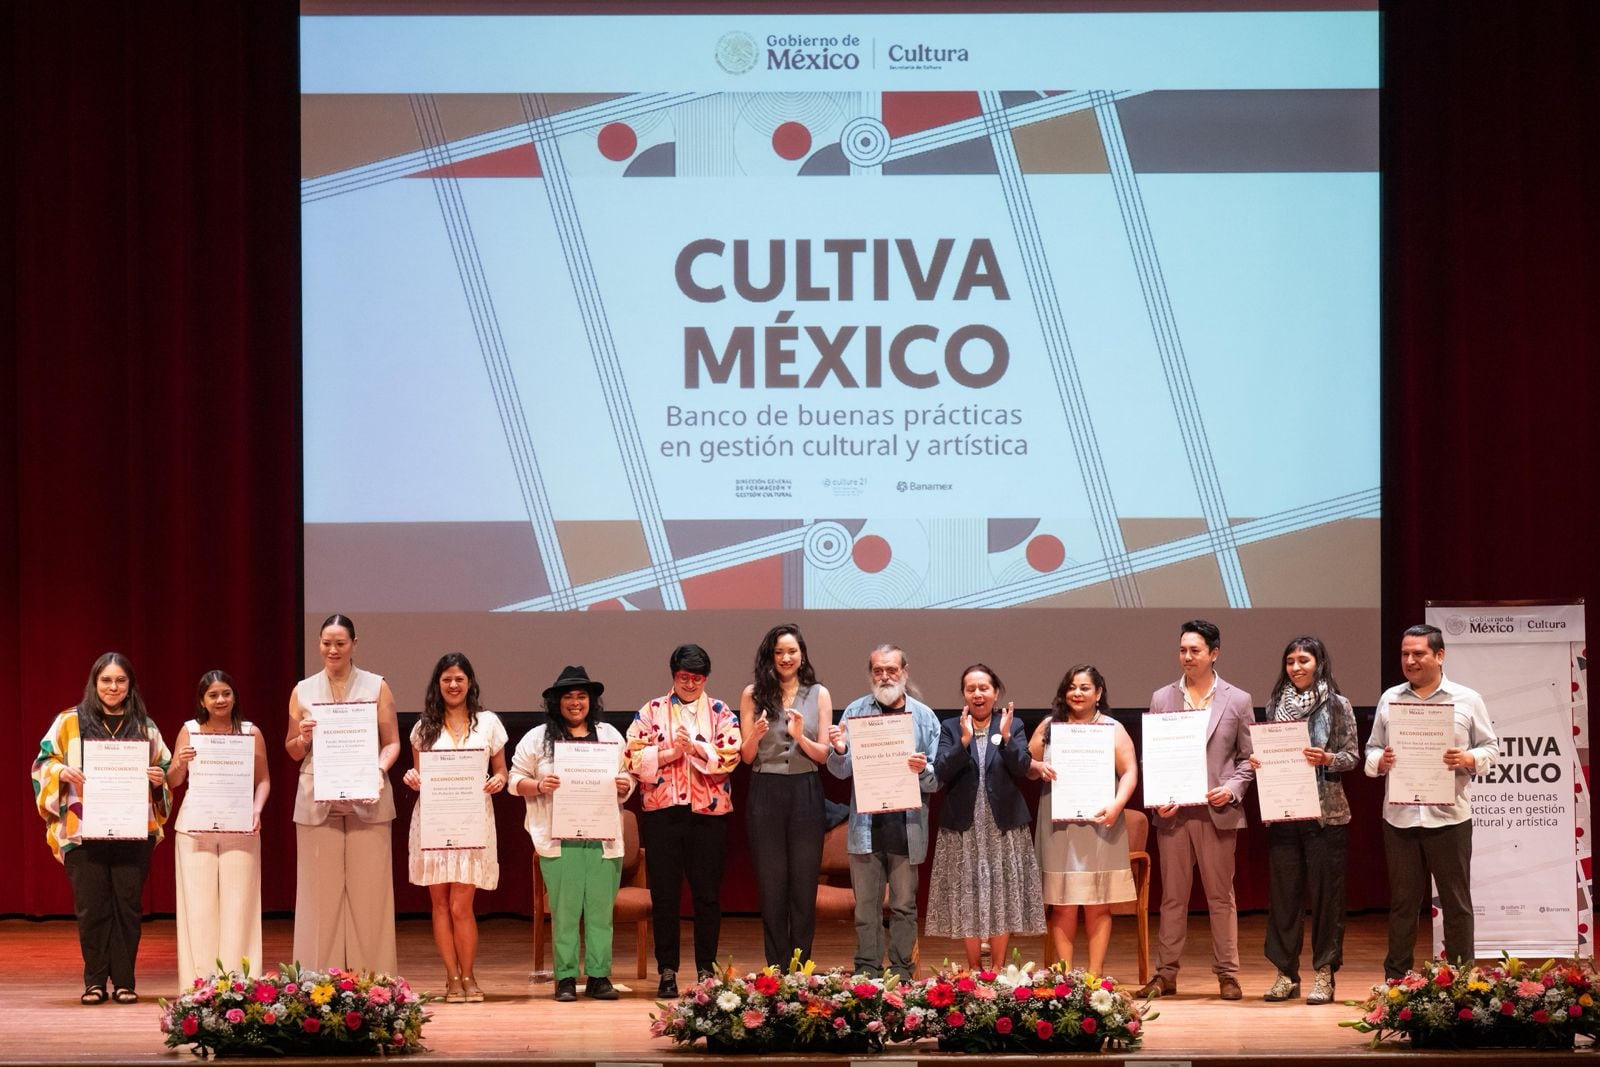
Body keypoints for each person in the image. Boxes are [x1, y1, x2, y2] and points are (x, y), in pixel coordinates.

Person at [31, 652, 171, 1005]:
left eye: (120, 681)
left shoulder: (145, 725)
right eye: (106, 680)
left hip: (131, 829)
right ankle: (94, 981)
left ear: (130, 686)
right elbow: (42, 764)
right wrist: (60, 773)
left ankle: (124, 981)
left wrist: (158, 780)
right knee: (92, 909)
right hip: (83, 830)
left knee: (127, 908)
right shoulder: (68, 722)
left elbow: (165, 770)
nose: (113, 687)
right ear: (95, 683)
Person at [1365, 623, 1498, 980]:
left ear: (1439, 656)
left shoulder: (1467, 699)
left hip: (1450, 816)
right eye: (1405, 654)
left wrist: (1468, 759)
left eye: (1418, 653)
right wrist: (1382, 761)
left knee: (1456, 904)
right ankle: (1395, 981)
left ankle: (1461, 982)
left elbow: (1491, 748)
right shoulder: (1390, 698)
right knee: (1403, 905)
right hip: (1400, 817)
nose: (1410, 660)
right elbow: (1371, 749)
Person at [1138, 618, 1255, 1001]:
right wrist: (1159, 796)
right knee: (1172, 897)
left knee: (1221, 896)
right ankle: (1165, 974)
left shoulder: (1237, 699)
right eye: (1182, 650)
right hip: (1174, 815)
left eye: (1195, 650)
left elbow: (1248, 759)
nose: (1187, 657)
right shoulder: (1162, 698)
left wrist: (1232, 790)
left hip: (1216, 812)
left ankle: (1228, 974)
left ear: (1214, 653)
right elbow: (1152, 758)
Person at [285, 613, 401, 974]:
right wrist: (303, 737)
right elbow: (292, 749)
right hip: (317, 799)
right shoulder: (302, 690)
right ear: (318, 644)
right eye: (326, 643)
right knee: (318, 897)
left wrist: (378, 772)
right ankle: (315, 982)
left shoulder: (376, 686)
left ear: (354, 644)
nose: (332, 649)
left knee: (371, 896)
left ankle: (375, 982)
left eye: (340, 643)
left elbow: (392, 743)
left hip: (368, 799)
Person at [512, 665, 633, 1002]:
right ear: (556, 702)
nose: (576, 702)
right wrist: (537, 784)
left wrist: (626, 784)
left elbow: (625, 776)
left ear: (591, 701)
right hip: (559, 838)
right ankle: (565, 978)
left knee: (599, 911)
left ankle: (599, 976)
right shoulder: (537, 739)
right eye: (569, 696)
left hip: (602, 837)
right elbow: (513, 779)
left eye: (582, 696)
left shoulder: (609, 735)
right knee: (564, 912)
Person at [625, 644, 740, 998]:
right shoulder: (652, 711)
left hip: (708, 815)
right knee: (665, 896)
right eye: (683, 677)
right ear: (673, 675)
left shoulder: (720, 711)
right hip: (663, 814)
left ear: (706, 678)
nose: (690, 684)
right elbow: (632, 755)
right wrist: (671, 753)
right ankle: (668, 970)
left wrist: (697, 749)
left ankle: (707, 970)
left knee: (707, 895)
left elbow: (731, 755)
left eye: (697, 678)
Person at [1252, 636, 1359, 1005]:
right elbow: (1273, 751)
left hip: (1326, 817)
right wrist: (1261, 762)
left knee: (1327, 898)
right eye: (1290, 661)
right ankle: (1285, 973)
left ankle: (1325, 974)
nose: (1296, 667)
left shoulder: (1338, 704)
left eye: (1304, 660)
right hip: (1285, 812)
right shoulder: (1274, 704)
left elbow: (1352, 756)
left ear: (1319, 663)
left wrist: (1327, 759)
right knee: (1284, 897)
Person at [824, 644, 940, 980]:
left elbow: (935, 781)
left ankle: (902, 971)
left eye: (891, 670)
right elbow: (841, 771)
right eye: (878, 670)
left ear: (905, 671)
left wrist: (922, 769)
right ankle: (867, 970)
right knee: (865, 909)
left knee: (904, 906)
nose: (885, 676)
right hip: (866, 827)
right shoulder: (856, 712)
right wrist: (840, 750)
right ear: (870, 674)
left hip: (908, 827)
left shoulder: (925, 717)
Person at [401, 653, 507, 1003]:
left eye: (459, 678)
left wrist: (498, 781)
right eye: (446, 679)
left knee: (462, 905)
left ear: (470, 683)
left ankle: (470, 975)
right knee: (441, 904)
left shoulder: (488, 723)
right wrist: (412, 778)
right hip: (434, 819)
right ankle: (450, 978)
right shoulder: (422, 727)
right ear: (438, 685)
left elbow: (501, 772)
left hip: (472, 820)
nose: (453, 685)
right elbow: (418, 776)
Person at [926, 663, 1046, 968]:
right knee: (968, 896)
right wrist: (964, 742)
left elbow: (1023, 768)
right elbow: (940, 771)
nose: (977, 694)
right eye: (971, 689)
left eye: (984, 688)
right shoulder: (951, 727)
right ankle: (974, 967)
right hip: (963, 827)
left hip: (1002, 826)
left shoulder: (1012, 725)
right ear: (964, 694)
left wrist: (1006, 739)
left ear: (995, 692)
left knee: (1002, 894)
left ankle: (997, 967)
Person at [1029, 664, 1138, 975]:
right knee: (1062, 903)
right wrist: (1038, 768)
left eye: (1085, 687)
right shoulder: (1051, 726)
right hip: (1059, 825)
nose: (1077, 693)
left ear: (1098, 693)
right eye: (1072, 687)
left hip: (1101, 823)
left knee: (1098, 903)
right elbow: (1027, 763)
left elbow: (1129, 771)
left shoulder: (1112, 728)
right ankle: (1065, 980)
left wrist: (1118, 805)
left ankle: (1094, 977)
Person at [165, 669, 270, 985]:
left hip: (241, 827)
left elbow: (263, 780)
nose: (220, 699)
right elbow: (172, 781)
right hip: (195, 829)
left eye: (226, 693)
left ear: (234, 696)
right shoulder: (190, 731)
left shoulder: (250, 732)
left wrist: (256, 810)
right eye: (213, 695)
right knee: (198, 909)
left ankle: (241, 982)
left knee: (241, 907)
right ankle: (199, 984)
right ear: (202, 700)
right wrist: (180, 762)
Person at [738, 623, 834, 967]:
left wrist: (800, 736)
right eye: (779, 652)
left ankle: (801, 968)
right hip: (766, 791)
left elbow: (823, 754)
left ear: (802, 654)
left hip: (805, 790)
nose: (786, 657)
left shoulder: (818, 693)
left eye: (792, 651)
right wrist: (756, 735)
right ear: (770, 656)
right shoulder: (752, 694)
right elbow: (747, 757)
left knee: (804, 887)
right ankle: (775, 969)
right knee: (772, 885)